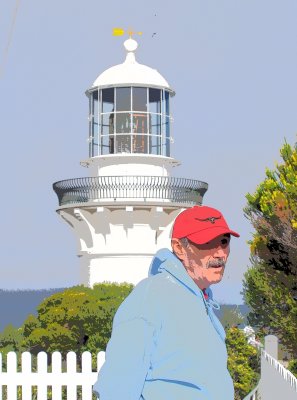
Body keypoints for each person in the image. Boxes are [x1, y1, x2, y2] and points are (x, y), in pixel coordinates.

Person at [93, 205, 239, 400]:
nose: (220, 253)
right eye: (207, 243)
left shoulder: (201, 299)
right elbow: (117, 386)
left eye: (223, 241)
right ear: (179, 248)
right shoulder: (150, 297)